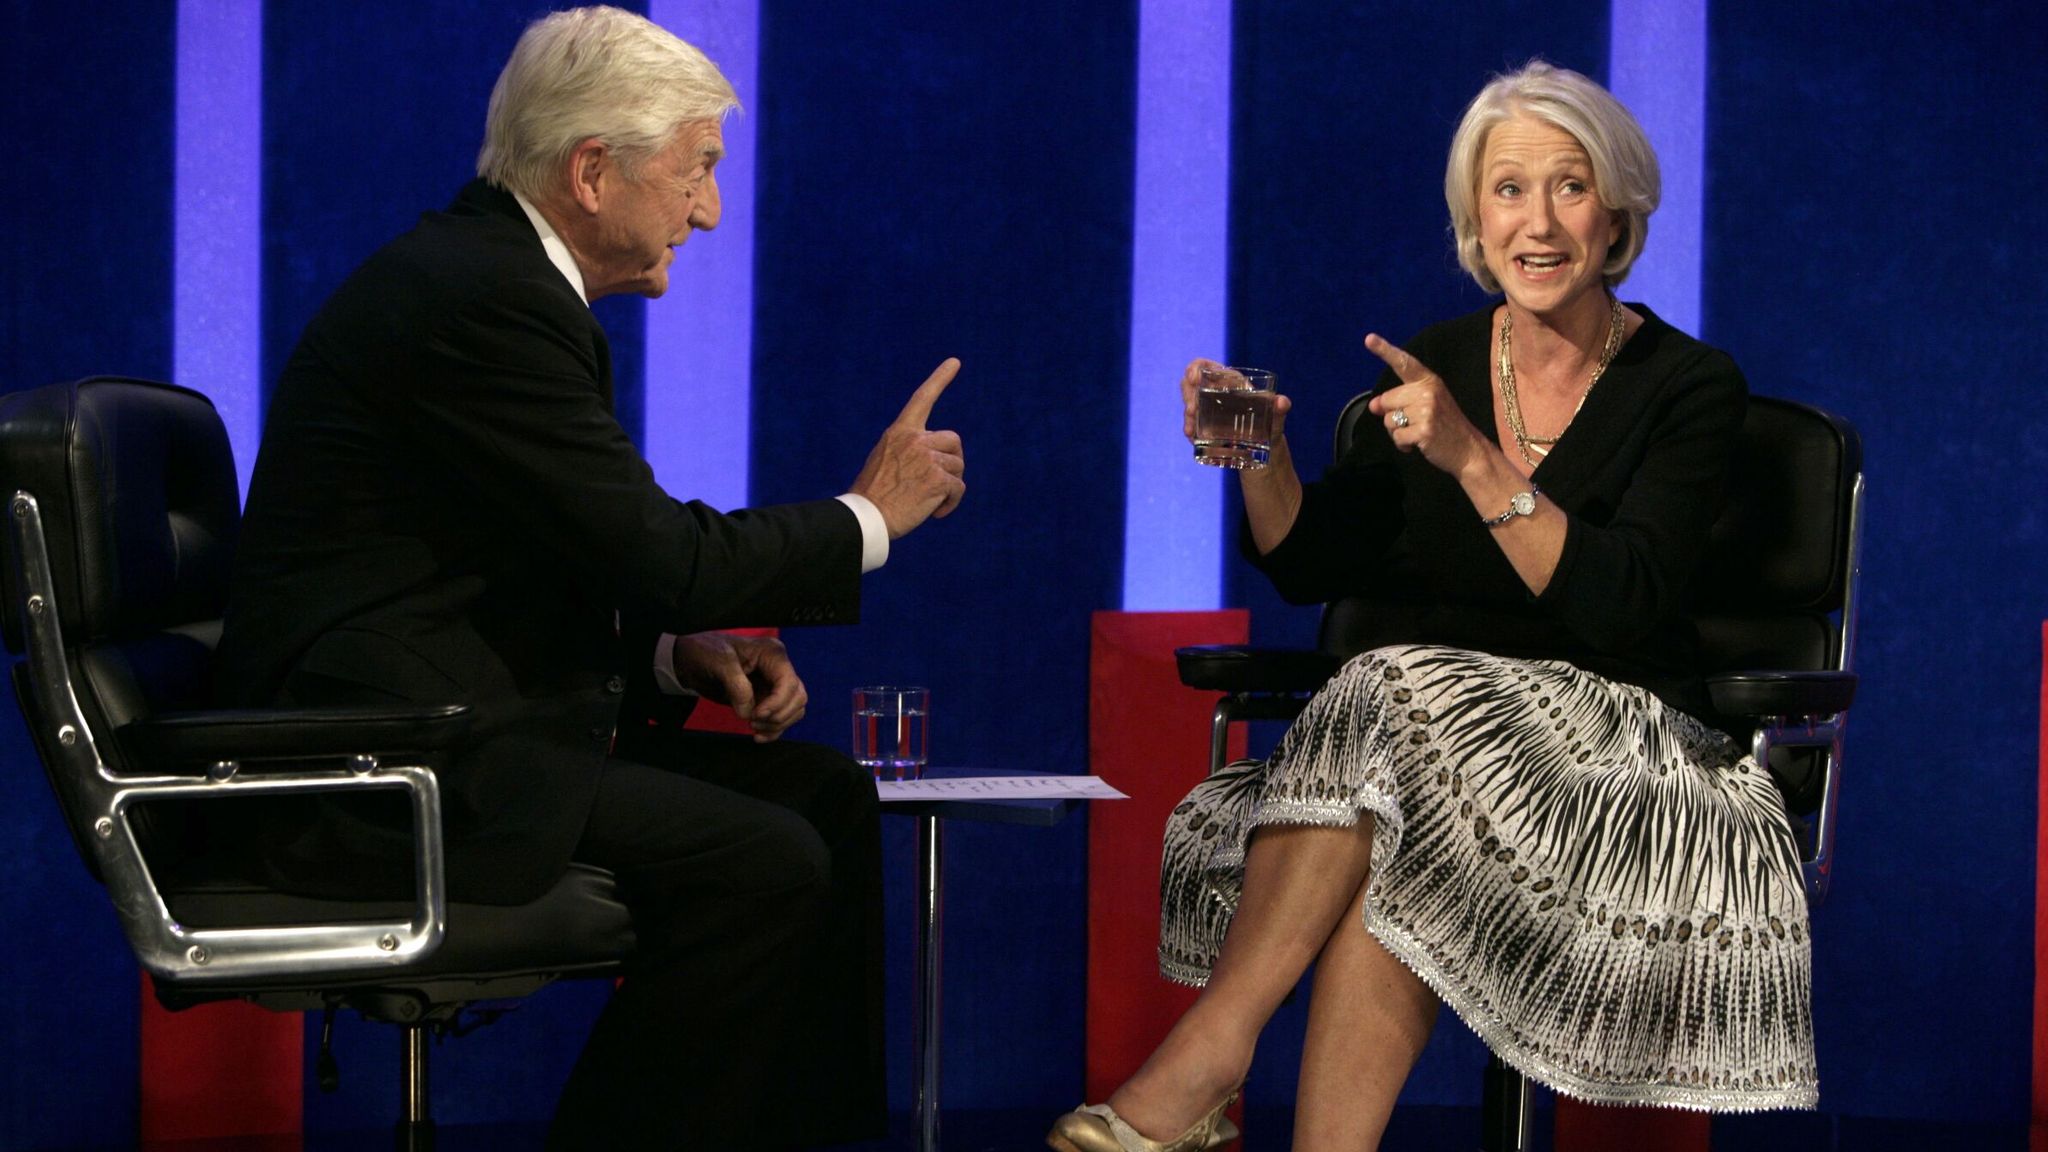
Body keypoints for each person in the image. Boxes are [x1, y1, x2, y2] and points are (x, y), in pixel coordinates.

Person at [213, 7, 965, 1149]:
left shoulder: (493, 279)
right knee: (761, 864)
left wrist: (674, 657)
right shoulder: (486, 298)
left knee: (821, 795)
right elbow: (663, 554)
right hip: (385, 765)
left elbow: (496, 575)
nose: (708, 209)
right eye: (697, 170)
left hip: (446, 722)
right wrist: (871, 514)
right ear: (592, 172)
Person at [1049, 60, 1814, 1152]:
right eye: (1507, 189)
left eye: (1568, 186)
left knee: (1387, 688)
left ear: (1617, 215)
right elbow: (1310, 559)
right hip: (1423, 753)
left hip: (1621, 752)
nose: (1536, 221)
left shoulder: (1688, 386)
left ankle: (1209, 1054)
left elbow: (1621, 606)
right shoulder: (1444, 357)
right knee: (1392, 825)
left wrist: (1472, 460)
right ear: (1473, 217)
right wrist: (1258, 454)